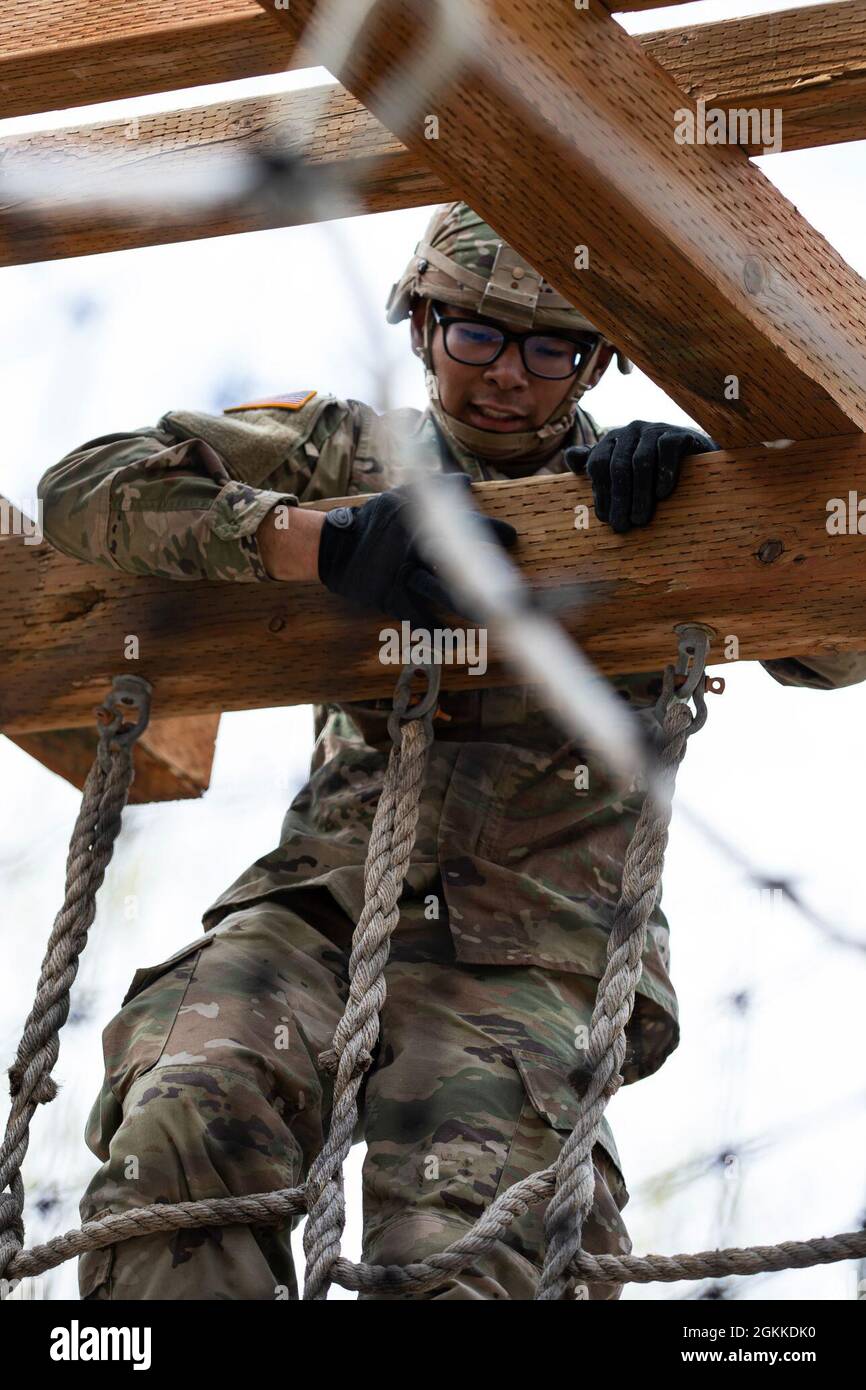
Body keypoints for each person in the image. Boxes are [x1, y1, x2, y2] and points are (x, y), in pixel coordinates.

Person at [37, 201, 866, 1301]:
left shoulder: (647, 493)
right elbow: (82, 491)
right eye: (475, 335)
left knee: (469, 1239)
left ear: (596, 361)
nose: (508, 377)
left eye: (548, 348)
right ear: (421, 327)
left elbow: (833, 644)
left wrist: (717, 503)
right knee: (188, 1115)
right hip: (322, 904)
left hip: (529, 949)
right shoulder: (345, 452)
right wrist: (319, 540)